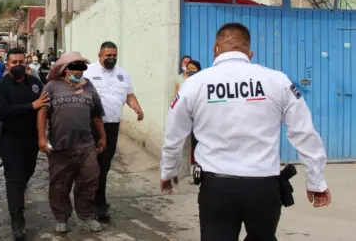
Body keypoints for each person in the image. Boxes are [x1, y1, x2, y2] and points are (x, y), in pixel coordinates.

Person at [160, 22, 331, 241]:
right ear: (249, 53)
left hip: (217, 187)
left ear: (215, 49)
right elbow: (304, 132)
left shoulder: (194, 84)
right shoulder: (277, 81)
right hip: (264, 188)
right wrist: (315, 181)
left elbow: (174, 133)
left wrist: (168, 170)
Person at [38, 52, 107, 233]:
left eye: (81, 67)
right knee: (60, 184)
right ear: (65, 69)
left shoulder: (89, 87)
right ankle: (61, 218)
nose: (78, 71)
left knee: (90, 179)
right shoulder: (52, 86)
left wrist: (102, 136)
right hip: (60, 146)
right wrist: (42, 138)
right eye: (75, 67)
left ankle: (85, 215)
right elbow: (42, 112)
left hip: (86, 145)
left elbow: (96, 114)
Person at [83, 41, 144, 222]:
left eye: (114, 55)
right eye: (108, 55)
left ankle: (96, 201)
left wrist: (137, 107)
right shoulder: (88, 71)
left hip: (112, 127)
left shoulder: (122, 74)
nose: (112, 58)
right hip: (91, 126)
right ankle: (95, 204)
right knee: (93, 166)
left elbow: (129, 95)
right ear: (99, 55)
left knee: (105, 165)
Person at [0, 48, 47, 240]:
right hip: (9, 138)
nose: (17, 66)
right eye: (14, 62)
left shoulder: (36, 83)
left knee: (27, 172)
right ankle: (17, 221)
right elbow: (3, 111)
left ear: (26, 64)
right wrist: (32, 106)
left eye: (21, 62)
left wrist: (43, 136)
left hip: (31, 138)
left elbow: (43, 109)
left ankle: (19, 193)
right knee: (14, 178)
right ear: (7, 65)